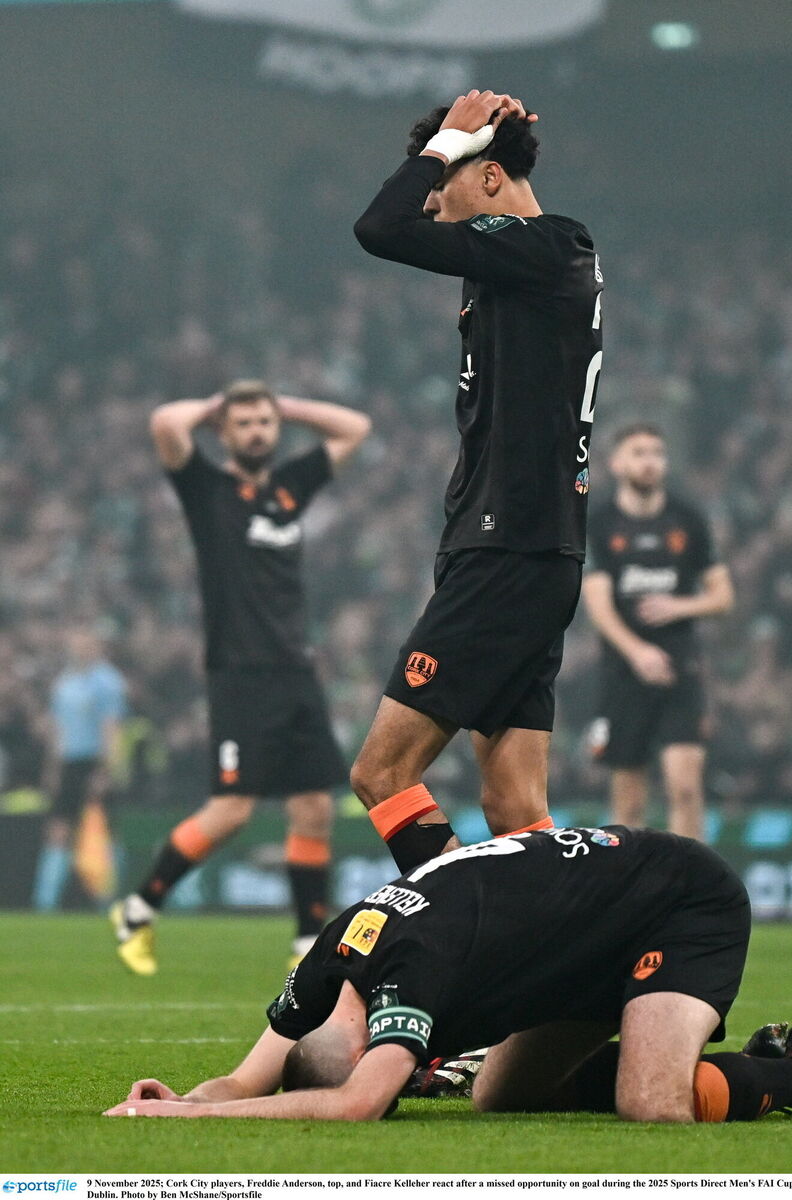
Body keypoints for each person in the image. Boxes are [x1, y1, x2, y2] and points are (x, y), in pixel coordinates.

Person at [103, 825, 792, 1123]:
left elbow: (354, 1103)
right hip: (575, 949)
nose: (404, 1072)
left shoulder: (411, 961)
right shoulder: (328, 969)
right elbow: (245, 1082)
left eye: (389, 1057)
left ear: (362, 1029)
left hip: (674, 901)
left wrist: (190, 1124)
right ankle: (701, 1055)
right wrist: (186, 1094)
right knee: (500, 1096)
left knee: (650, 1104)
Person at [349, 90, 603, 874]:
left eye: (448, 185)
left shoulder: (547, 246)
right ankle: (561, 978)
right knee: (515, 808)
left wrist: (445, 144)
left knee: (382, 773)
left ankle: (462, 939)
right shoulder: (516, 270)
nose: (434, 204)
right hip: (522, 549)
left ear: (488, 179)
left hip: (508, 550)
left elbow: (380, 229)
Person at [110, 381, 371, 975]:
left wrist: (286, 405)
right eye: (245, 423)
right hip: (239, 673)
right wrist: (215, 404)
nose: (258, 431)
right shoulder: (206, 490)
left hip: (296, 671)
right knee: (232, 810)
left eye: (265, 422)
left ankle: (307, 942)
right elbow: (164, 421)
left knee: (315, 809)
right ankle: (138, 907)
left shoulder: (288, 487)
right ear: (224, 432)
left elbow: (355, 427)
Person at [583, 425, 734, 841]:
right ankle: (628, 896)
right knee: (628, 801)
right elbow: (597, 601)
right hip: (624, 671)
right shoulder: (599, 522)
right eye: (639, 452)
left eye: (656, 453)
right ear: (617, 463)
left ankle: (691, 895)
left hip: (680, 668)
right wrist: (637, 654)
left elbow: (723, 596)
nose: (649, 461)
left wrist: (680, 605)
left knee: (685, 789)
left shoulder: (688, 519)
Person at [32, 628, 127, 911]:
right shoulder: (65, 681)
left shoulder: (107, 682)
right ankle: (44, 902)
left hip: (93, 761)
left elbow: (111, 727)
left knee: (100, 831)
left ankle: (106, 897)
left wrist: (106, 769)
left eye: (87, 643)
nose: (81, 649)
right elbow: (58, 730)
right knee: (58, 830)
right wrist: (53, 768)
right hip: (69, 763)